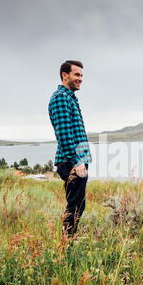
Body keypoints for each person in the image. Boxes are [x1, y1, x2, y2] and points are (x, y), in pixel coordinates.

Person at [48, 60, 92, 238]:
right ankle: (66, 243)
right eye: (76, 75)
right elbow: (65, 135)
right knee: (75, 205)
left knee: (78, 204)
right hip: (71, 162)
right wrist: (77, 162)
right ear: (64, 75)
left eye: (81, 75)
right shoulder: (61, 98)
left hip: (76, 161)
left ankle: (68, 240)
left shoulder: (70, 98)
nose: (80, 79)